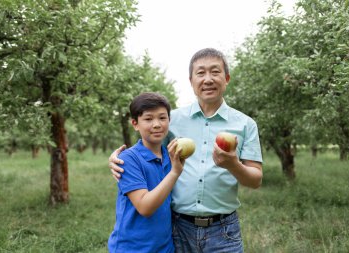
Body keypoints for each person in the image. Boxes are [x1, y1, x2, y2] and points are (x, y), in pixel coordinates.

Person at [108, 48, 263, 252]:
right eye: (200, 73)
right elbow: (147, 146)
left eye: (215, 72)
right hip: (178, 228)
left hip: (223, 230)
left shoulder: (245, 124)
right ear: (191, 81)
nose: (208, 79)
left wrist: (233, 164)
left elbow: (255, 180)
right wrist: (117, 157)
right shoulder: (171, 120)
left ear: (226, 79)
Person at [108, 92, 185, 253]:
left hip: (164, 248)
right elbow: (144, 207)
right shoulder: (128, 159)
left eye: (162, 118)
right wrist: (174, 173)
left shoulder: (169, 155)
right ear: (135, 124)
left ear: (169, 121)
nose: (157, 124)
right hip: (132, 248)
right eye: (148, 119)